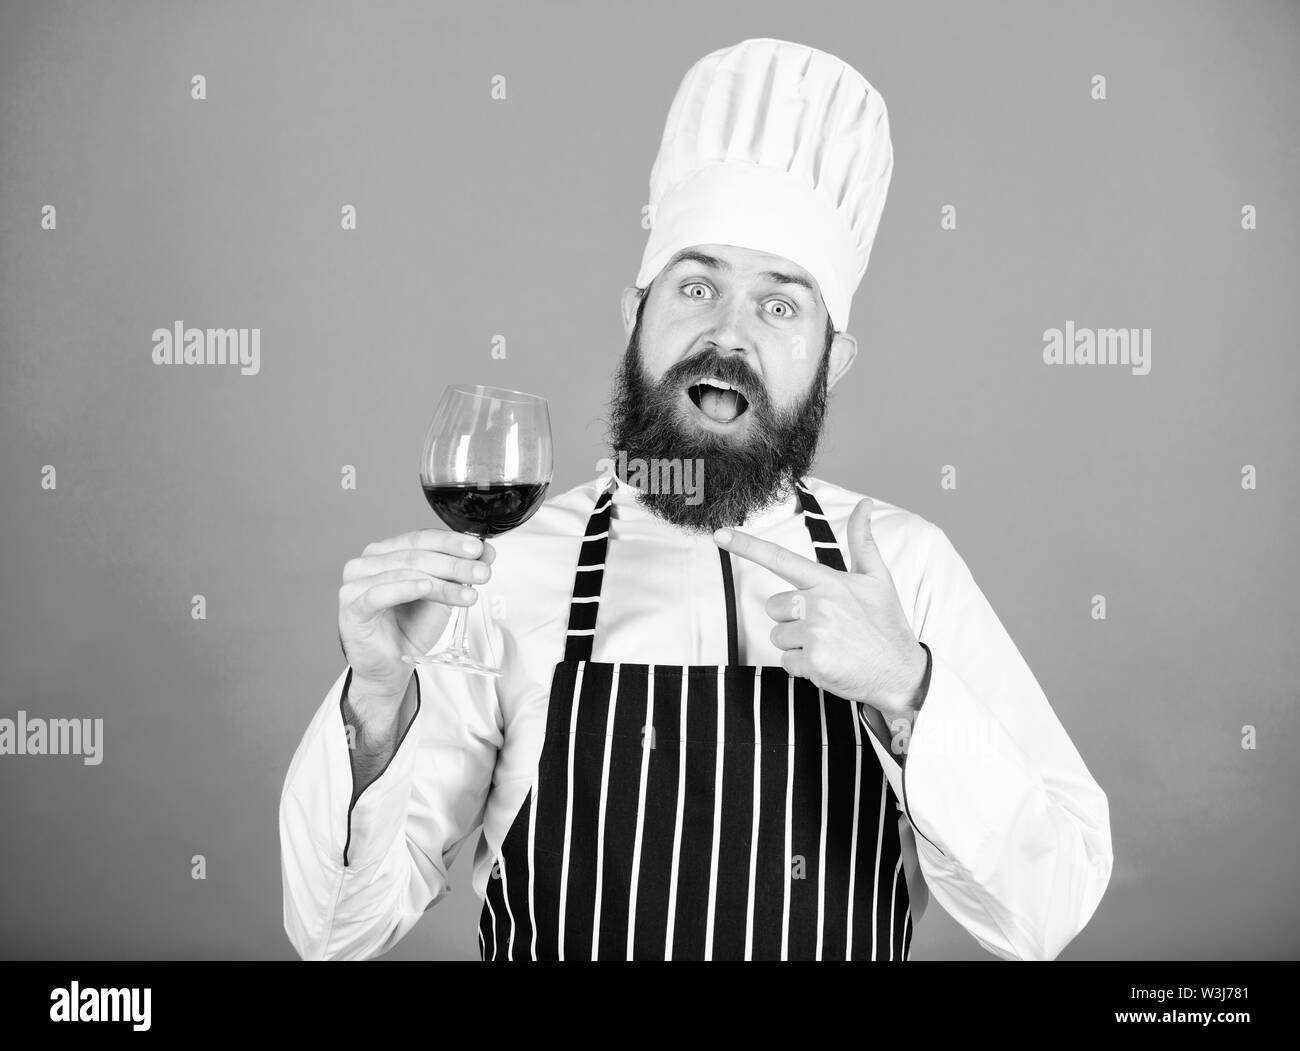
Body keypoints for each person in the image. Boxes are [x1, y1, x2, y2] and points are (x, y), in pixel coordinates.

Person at [279, 37, 1113, 961]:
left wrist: (907, 689)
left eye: (781, 305)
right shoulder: (510, 569)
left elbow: (1049, 910)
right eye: (697, 284)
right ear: (633, 316)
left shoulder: (903, 563)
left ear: (833, 363)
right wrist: (376, 703)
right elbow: (333, 933)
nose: (728, 332)